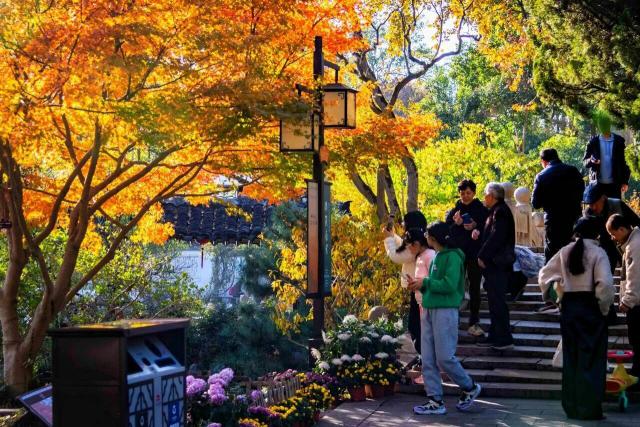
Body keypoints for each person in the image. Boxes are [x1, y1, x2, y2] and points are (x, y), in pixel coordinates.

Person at [538, 217, 615, 420]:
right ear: (597, 234)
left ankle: (571, 406)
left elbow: (544, 275)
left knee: (571, 359)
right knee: (592, 360)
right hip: (591, 308)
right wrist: (603, 308)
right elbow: (605, 285)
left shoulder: (565, 251)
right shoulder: (599, 253)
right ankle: (589, 408)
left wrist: (555, 297)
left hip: (569, 308)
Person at [407, 222, 481, 415]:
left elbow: (449, 285)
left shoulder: (453, 257)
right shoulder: (438, 255)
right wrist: (420, 285)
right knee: (428, 358)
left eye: (427, 234)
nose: (425, 236)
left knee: (445, 357)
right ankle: (435, 400)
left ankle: (469, 386)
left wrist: (425, 282)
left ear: (434, 238)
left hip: (445, 310)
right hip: (429, 308)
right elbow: (434, 284)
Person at [445, 179, 489, 337]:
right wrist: (456, 224)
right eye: (462, 193)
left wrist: (476, 227)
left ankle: (473, 321)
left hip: (475, 253)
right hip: (458, 253)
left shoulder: (481, 209)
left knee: (474, 287)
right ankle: (453, 320)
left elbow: (489, 228)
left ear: (474, 193)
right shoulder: (455, 210)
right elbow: (446, 230)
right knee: (455, 284)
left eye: (468, 193)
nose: (465, 196)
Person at [383, 211, 427, 358]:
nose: (402, 224)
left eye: (404, 222)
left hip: (418, 287)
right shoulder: (419, 238)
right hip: (417, 286)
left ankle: (424, 357)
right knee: (416, 324)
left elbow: (397, 256)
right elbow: (403, 246)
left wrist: (388, 239)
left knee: (416, 325)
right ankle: (423, 357)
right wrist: (393, 236)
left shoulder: (417, 243)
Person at [476, 183, 515, 350]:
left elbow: (496, 237)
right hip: (494, 263)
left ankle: (504, 338)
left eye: (485, 194)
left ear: (491, 196)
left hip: (498, 263)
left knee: (498, 301)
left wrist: (482, 255)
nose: (484, 197)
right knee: (493, 301)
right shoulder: (495, 211)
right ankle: (494, 335)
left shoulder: (501, 212)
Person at [532, 148, 584, 262]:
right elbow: (582, 192)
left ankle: (552, 274)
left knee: (552, 256)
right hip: (573, 219)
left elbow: (535, 203)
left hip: (553, 221)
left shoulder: (541, 176)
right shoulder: (573, 171)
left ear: (543, 161)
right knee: (572, 254)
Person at [606, 214, 640, 378]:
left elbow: (635, 276)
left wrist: (627, 300)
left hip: (637, 304)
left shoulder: (635, 245)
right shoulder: (632, 243)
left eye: (613, 234)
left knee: (637, 340)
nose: (612, 238)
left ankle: (637, 376)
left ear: (622, 229)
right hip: (636, 302)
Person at [583, 182, 640, 273]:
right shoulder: (588, 214)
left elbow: (637, 223)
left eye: (595, 203)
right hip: (602, 253)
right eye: (590, 204)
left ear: (603, 197)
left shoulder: (618, 205)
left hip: (625, 250)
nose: (593, 207)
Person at [583, 110, 631, 200]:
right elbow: (585, 162)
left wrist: (625, 182)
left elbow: (624, 163)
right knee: (598, 209)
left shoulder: (619, 141)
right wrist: (591, 161)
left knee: (614, 208)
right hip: (597, 185)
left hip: (614, 185)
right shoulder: (593, 142)